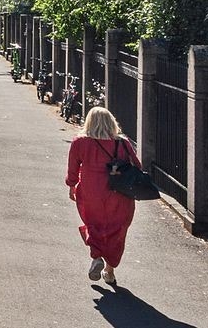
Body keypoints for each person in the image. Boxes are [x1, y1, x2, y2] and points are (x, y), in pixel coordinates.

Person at [66, 106, 139, 289]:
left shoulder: (80, 142)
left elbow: (73, 168)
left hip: (92, 191)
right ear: (111, 122)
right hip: (120, 193)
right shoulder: (122, 143)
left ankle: (96, 255)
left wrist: (71, 185)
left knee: (94, 224)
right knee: (117, 230)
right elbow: (137, 165)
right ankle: (109, 270)